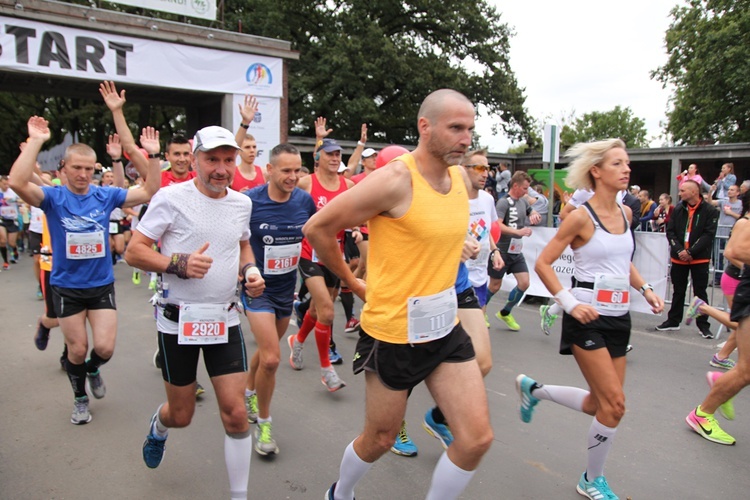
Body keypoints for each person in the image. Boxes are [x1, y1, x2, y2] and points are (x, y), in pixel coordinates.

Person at [306, 89, 493, 500]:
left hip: (444, 327)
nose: (466, 139)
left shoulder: (460, 178)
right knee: (380, 438)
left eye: (470, 129)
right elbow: (318, 228)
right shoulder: (394, 179)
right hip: (394, 333)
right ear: (425, 127)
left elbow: (433, 229)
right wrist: (352, 282)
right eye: (456, 128)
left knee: (476, 439)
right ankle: (340, 493)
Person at [124, 125, 265, 500]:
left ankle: (239, 495)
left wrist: (250, 271)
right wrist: (177, 263)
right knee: (181, 415)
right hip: (177, 320)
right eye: (212, 159)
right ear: (195, 158)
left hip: (224, 316)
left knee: (236, 413)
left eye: (228, 160)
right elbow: (134, 251)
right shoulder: (170, 198)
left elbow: (243, 245)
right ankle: (159, 426)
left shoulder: (242, 203)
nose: (221, 169)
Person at [8, 81, 161, 425]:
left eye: (88, 169)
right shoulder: (53, 197)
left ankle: (92, 370)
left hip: (100, 285)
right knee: (76, 349)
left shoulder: (104, 196)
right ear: (63, 169)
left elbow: (151, 189)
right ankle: (79, 398)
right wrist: (35, 142)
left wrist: (149, 154)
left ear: (95, 170)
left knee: (103, 349)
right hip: (66, 287)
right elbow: (18, 182)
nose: (82, 175)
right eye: (76, 168)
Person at [520, 138, 664, 500]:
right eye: (617, 163)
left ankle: (535, 391)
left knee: (599, 405)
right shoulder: (580, 217)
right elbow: (543, 264)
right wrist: (569, 304)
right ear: (596, 171)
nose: (626, 169)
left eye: (627, 163)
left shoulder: (627, 214)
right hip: (586, 316)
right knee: (615, 405)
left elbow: (622, 260)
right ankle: (590, 479)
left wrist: (645, 287)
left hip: (619, 317)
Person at [242, 143, 316, 456]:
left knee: (266, 349)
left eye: (297, 170)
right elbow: (235, 242)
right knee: (271, 358)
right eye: (285, 170)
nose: (293, 176)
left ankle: (248, 390)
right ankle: (265, 424)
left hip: (287, 289)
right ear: (269, 169)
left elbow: (317, 231)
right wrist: (246, 273)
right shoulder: (249, 201)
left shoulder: (303, 200)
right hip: (258, 291)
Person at [286, 131, 354, 392]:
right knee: (326, 310)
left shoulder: (347, 186)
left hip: (334, 257)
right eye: (330, 154)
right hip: (308, 255)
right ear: (318, 157)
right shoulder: (306, 183)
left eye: (338, 154)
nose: (336, 158)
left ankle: (298, 340)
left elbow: (364, 206)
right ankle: (327, 370)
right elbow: (284, 196)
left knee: (316, 311)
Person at [685, 207, 750, 446]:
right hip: (744, 289)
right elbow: (734, 250)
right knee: (747, 370)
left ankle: (721, 383)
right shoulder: (746, 222)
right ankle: (703, 414)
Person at [656, 180, 719, 338]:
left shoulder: (710, 210)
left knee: (700, 293)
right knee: (678, 291)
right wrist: (679, 250)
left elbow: (708, 234)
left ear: (693, 192)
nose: (679, 193)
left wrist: (691, 251)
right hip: (679, 258)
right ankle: (673, 320)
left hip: (699, 259)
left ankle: (703, 325)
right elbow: (670, 231)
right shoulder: (678, 209)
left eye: (683, 190)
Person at [487, 171, 542, 331]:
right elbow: (497, 225)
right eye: (524, 188)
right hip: (501, 251)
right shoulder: (503, 203)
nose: (526, 191)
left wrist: (535, 215)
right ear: (515, 186)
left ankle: (505, 312)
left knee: (524, 283)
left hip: (516, 253)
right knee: (494, 286)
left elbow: (532, 212)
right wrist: (517, 232)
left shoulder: (523, 202)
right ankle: (480, 310)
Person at [232, 95, 267, 192]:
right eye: (247, 147)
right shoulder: (231, 174)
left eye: (254, 147)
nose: (252, 150)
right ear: (239, 151)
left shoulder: (264, 173)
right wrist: (245, 122)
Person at [0, 175, 21, 268]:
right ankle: (5, 262)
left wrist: (14, 200)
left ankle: (15, 251)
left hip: (13, 219)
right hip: (2, 219)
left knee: (12, 243)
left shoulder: (13, 192)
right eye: (4, 184)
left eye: (7, 184)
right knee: (3, 241)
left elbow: (23, 200)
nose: (6, 186)